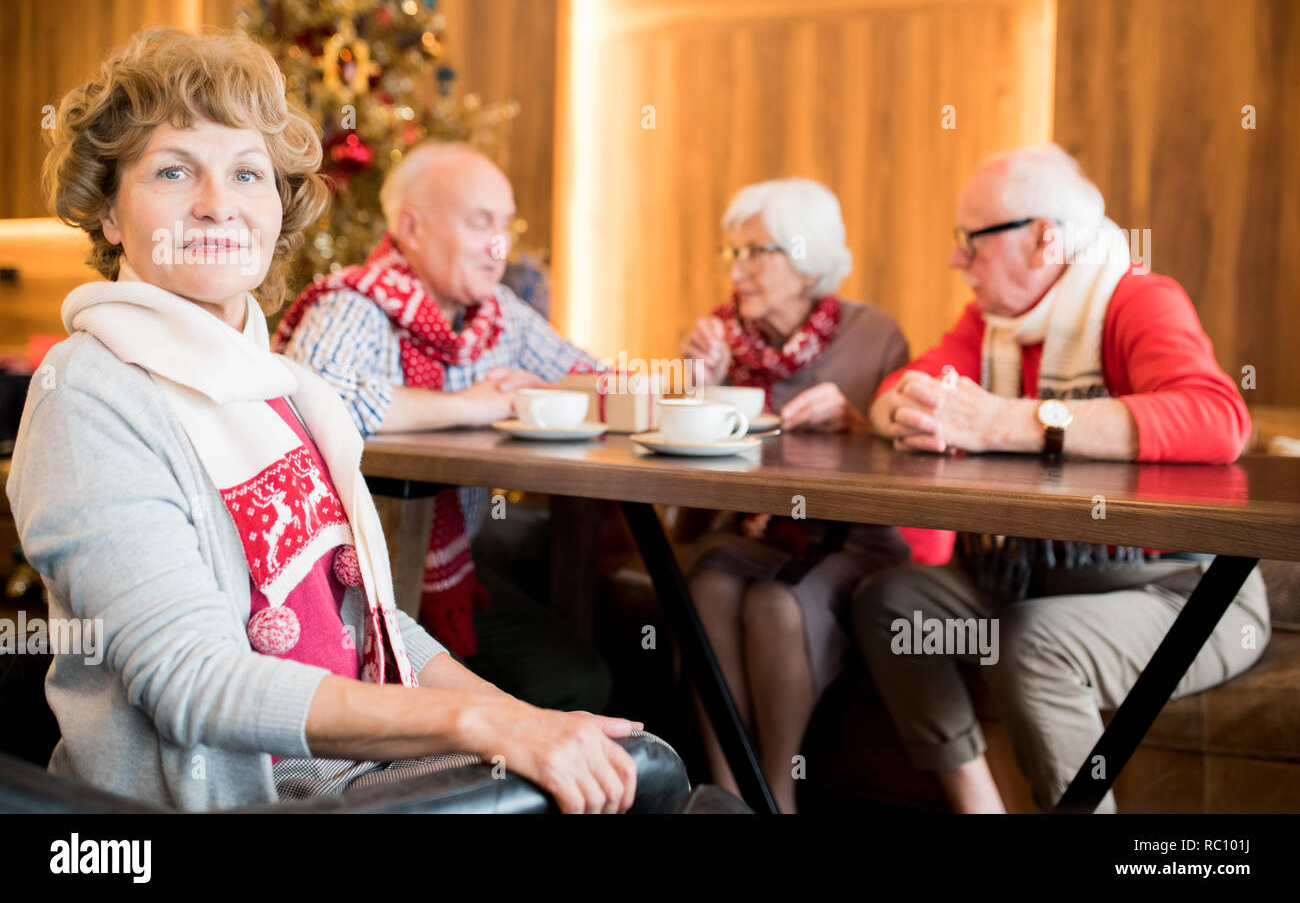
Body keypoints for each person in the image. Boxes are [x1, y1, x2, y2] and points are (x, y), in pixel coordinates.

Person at [6, 27, 642, 814]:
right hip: (214, 810)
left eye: (248, 173)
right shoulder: (89, 394)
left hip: (352, 783)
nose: (217, 203)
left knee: (645, 774)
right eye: (174, 170)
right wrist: (480, 723)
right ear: (107, 213)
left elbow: (368, 628)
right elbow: (194, 685)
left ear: (277, 208)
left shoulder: (281, 385)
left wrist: (521, 718)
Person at [854, 143, 1270, 813]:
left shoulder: (1140, 300)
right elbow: (900, 388)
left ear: (1045, 239)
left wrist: (1005, 423)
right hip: (1032, 578)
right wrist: (906, 409)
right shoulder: (992, 325)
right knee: (893, 600)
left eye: (972, 240)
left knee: (1033, 640)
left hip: (1179, 592)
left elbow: (1219, 419)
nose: (956, 259)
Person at [272, 141, 612, 714]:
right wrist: (471, 405)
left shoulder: (496, 314)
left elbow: (597, 379)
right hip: (344, 587)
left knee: (578, 681)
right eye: (481, 222)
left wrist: (689, 376)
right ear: (413, 226)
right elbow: (310, 399)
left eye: (506, 224)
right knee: (557, 687)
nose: (499, 246)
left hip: (451, 579)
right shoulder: (357, 301)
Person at [679, 177, 954, 813]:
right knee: (708, 584)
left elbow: (911, 464)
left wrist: (861, 423)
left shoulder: (873, 336)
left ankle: (777, 795)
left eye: (756, 252)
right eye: (733, 253)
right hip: (759, 534)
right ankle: (727, 795)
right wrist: (698, 392)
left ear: (807, 262)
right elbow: (688, 495)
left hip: (858, 540)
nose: (738, 270)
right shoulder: (719, 340)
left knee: (776, 605)